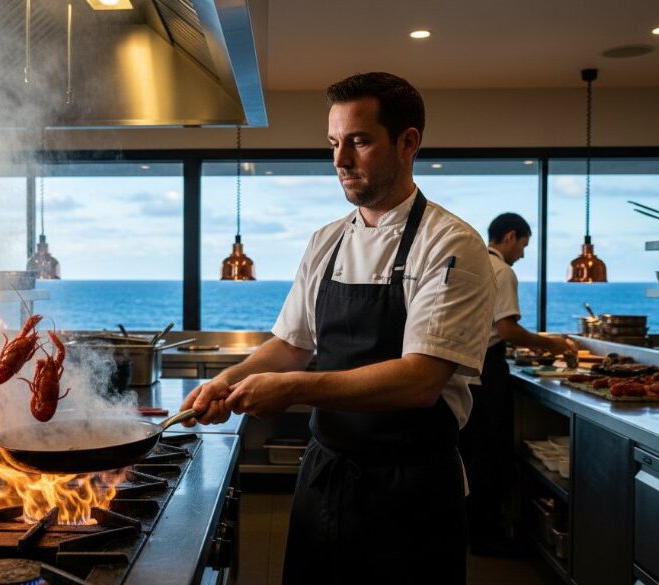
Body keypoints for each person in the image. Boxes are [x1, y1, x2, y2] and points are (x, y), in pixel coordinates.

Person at [180, 72, 497, 584]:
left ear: (408, 142)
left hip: (411, 492)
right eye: (333, 143)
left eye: (360, 141)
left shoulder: (450, 243)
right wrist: (229, 380)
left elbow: (420, 381)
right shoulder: (326, 241)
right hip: (326, 481)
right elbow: (289, 345)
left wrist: (294, 388)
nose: (340, 161)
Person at [459, 212, 575, 556]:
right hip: (488, 370)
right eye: (524, 244)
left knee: (471, 455)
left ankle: (470, 530)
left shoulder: (473, 262)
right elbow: (507, 330)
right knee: (491, 455)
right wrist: (555, 345)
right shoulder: (502, 271)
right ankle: (486, 536)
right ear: (510, 236)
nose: (523, 254)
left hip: (468, 373)